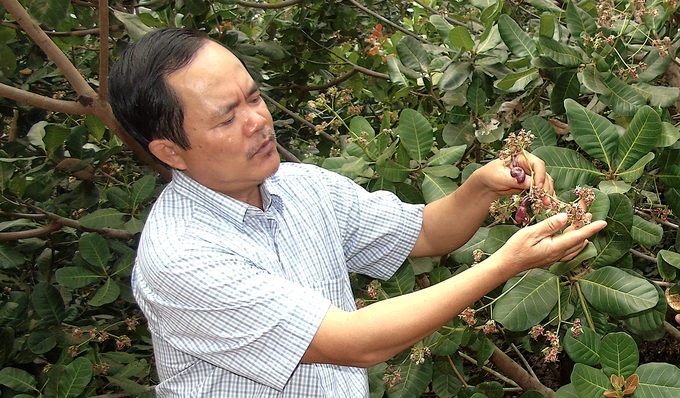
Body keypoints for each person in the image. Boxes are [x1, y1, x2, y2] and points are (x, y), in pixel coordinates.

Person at [108, 28, 607, 397]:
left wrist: (480, 187)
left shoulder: (302, 187)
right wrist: (505, 264)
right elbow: (354, 342)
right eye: (227, 116)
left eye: (255, 97)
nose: (258, 121)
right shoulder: (180, 259)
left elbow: (427, 233)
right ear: (170, 152)